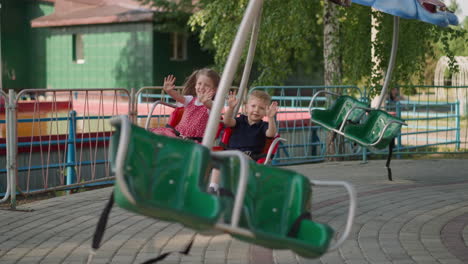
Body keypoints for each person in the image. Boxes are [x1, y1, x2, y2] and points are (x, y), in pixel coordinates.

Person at [208, 90, 278, 193]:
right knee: (219, 162)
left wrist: (271, 118)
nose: (256, 110)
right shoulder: (240, 120)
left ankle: (232, 189)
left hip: (249, 156)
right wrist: (231, 108)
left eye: (261, 108)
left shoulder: (263, 126)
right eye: (253, 106)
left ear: (266, 112)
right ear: (246, 107)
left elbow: (271, 134)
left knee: (240, 159)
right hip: (231, 152)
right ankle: (213, 187)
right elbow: (227, 121)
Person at [150, 68, 220, 142]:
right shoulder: (190, 99)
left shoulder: (213, 104)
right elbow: (178, 96)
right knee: (157, 134)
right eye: (199, 83)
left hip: (194, 140)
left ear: (214, 90)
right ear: (195, 85)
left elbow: (211, 107)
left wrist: (206, 102)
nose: (202, 87)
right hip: (178, 134)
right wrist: (169, 91)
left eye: (207, 85)